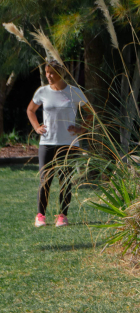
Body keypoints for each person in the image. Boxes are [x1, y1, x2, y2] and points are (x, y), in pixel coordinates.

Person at [26, 60, 89, 228]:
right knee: (45, 179)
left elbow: (91, 113)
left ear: (62, 73)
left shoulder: (73, 92)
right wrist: (37, 127)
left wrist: (81, 129)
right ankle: (40, 216)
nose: (49, 76)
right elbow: (30, 110)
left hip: (68, 143)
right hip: (47, 143)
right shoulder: (42, 92)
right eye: (47, 72)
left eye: (52, 72)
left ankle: (62, 216)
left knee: (65, 180)